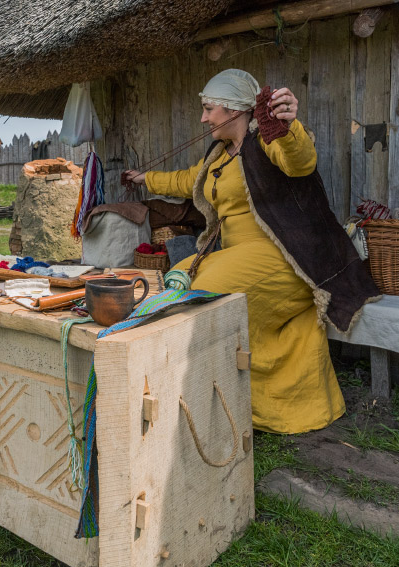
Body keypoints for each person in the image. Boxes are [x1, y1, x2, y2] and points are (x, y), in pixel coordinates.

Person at [124, 69, 379, 434]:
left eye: (209, 109)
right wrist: (144, 178)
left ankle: (237, 401)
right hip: (240, 257)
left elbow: (300, 161)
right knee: (179, 275)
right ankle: (209, 393)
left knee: (206, 290)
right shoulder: (218, 156)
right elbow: (187, 180)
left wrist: (286, 126)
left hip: (285, 257)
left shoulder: (268, 140)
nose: (203, 118)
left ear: (232, 110)